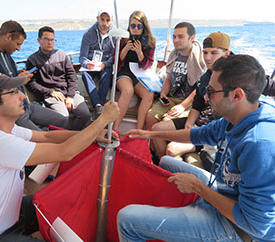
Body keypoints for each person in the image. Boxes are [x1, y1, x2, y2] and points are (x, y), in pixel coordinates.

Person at [118, 54, 275, 242]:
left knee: (126, 219)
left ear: (237, 95)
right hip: (225, 191)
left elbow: (256, 225)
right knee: (166, 162)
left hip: (239, 230)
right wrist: (151, 134)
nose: (206, 96)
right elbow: (197, 134)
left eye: (211, 90)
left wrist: (198, 188)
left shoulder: (259, 145)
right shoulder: (239, 115)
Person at [0, 71, 119, 242]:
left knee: (61, 198)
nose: (22, 96)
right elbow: (64, 152)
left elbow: (46, 137)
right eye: (12, 92)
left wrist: (93, 134)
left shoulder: (4, 129)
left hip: (11, 217)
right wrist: (102, 120)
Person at [152, 32, 231, 160]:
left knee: (172, 149)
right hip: (199, 123)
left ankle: (169, 169)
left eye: (214, 53)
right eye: (205, 52)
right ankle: (162, 166)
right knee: (156, 129)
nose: (208, 58)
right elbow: (197, 105)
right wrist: (189, 124)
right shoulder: (205, 78)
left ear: (227, 53)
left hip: (213, 131)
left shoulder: (237, 75)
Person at [0, 20, 67, 131]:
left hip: (26, 105)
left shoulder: (6, 53)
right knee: (45, 137)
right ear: (8, 37)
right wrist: (18, 81)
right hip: (13, 113)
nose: (19, 49)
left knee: (64, 121)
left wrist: (17, 75)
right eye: (18, 44)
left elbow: (7, 77)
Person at [26, 26, 90, 130]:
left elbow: (72, 76)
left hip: (68, 92)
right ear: (39, 40)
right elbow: (31, 84)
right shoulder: (32, 60)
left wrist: (70, 96)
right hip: (51, 95)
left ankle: (72, 135)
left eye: (52, 39)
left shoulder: (61, 55)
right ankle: (61, 139)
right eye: (46, 39)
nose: (50, 42)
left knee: (85, 114)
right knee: (63, 118)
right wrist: (50, 92)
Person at [146, 22, 206, 130]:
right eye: (174, 37)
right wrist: (164, 93)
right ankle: (151, 146)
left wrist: (182, 106)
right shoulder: (174, 55)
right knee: (150, 117)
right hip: (172, 97)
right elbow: (168, 78)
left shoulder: (200, 59)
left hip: (189, 102)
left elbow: (199, 88)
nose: (175, 40)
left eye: (180, 37)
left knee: (165, 122)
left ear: (192, 38)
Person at [113, 10, 156, 130]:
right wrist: (125, 49)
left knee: (149, 94)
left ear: (144, 27)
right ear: (129, 26)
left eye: (139, 26)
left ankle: (139, 130)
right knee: (128, 91)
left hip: (139, 73)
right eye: (132, 26)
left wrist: (139, 52)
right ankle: (115, 129)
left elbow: (147, 65)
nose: (135, 29)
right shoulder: (122, 39)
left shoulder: (150, 42)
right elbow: (116, 61)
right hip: (124, 72)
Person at [79, 8, 115, 119]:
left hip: (105, 65)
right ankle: (99, 106)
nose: (105, 23)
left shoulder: (115, 35)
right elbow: (82, 57)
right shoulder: (88, 34)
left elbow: (115, 56)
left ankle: (98, 107)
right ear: (97, 19)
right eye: (102, 19)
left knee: (107, 74)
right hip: (92, 65)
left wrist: (105, 64)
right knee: (85, 74)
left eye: (107, 20)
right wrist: (87, 64)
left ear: (111, 20)